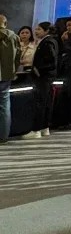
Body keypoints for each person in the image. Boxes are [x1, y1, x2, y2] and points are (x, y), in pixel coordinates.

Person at [28, 23, 59, 138]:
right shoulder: (50, 41)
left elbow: (51, 61)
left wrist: (38, 69)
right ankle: (45, 128)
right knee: (46, 103)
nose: (36, 31)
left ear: (46, 31)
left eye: (39, 29)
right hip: (48, 77)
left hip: (44, 77)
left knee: (41, 103)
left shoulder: (47, 42)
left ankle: (36, 130)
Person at [0, 14, 19, 143]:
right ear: (5, 23)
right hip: (6, 75)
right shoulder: (14, 37)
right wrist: (14, 71)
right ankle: (3, 136)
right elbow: (17, 57)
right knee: (4, 106)